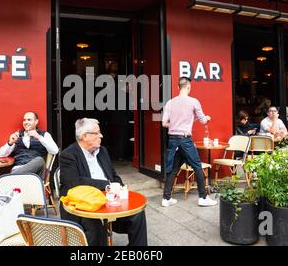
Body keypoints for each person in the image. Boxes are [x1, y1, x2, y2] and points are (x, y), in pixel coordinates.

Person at [59, 118, 147, 246]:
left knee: (138, 214)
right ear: (84, 136)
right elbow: (74, 182)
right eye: (97, 133)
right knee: (96, 226)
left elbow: (113, 175)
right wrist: (107, 185)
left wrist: (119, 187)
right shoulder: (68, 155)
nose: (101, 135)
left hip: (109, 200)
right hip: (84, 205)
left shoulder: (102, 151)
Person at [161, 77, 217, 208]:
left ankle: (166, 198)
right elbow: (203, 120)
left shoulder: (170, 103)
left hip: (173, 140)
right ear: (188, 87)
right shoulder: (193, 102)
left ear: (178, 87)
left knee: (173, 169)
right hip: (185, 140)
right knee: (197, 166)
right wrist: (207, 118)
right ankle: (203, 197)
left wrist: (178, 123)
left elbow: (164, 123)